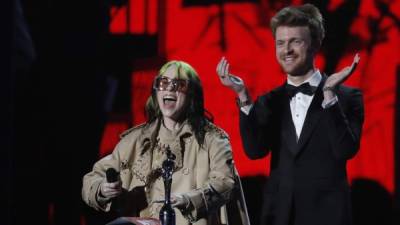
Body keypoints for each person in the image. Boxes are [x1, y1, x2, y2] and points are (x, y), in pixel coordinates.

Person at [216, 4, 364, 225]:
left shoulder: (347, 97)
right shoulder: (269, 100)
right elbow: (255, 151)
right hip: (280, 215)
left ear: (315, 44)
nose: (287, 50)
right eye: (281, 43)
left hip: (328, 215)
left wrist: (329, 95)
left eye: (296, 41)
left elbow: (345, 150)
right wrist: (243, 97)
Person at [82, 60, 249, 225]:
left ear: (192, 94)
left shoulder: (213, 139)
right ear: (156, 92)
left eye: (178, 84)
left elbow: (224, 183)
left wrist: (189, 200)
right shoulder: (136, 140)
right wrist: (103, 189)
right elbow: (92, 178)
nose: (169, 88)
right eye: (163, 83)